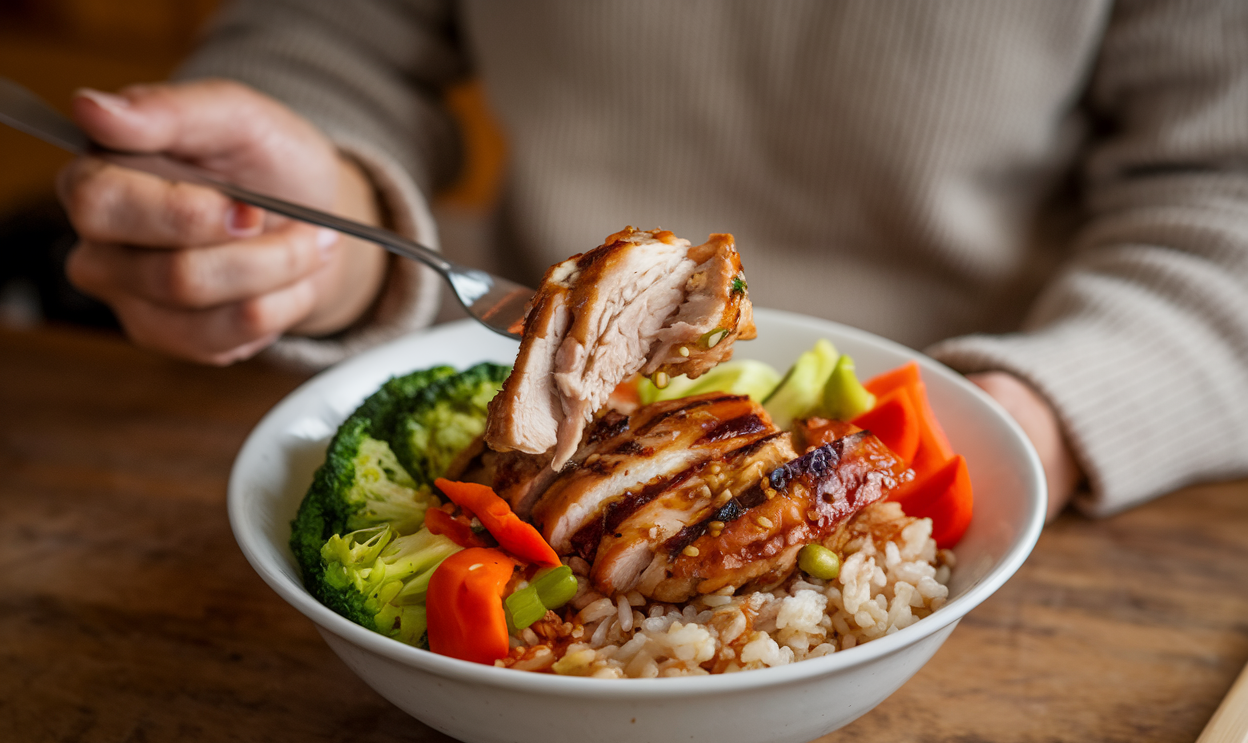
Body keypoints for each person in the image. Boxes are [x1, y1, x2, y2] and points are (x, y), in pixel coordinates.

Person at [55, 1, 1248, 521]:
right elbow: (328, 33)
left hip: (1004, 426)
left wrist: (1012, 425)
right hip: (517, 361)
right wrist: (320, 228)